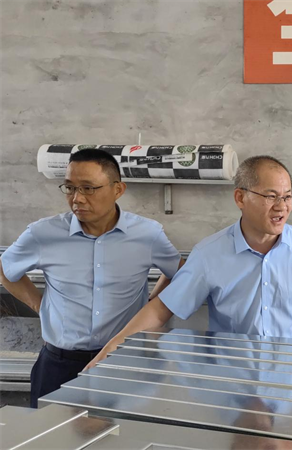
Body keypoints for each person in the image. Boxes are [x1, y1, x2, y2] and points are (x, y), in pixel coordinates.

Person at [86, 155, 292, 369]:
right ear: (240, 198)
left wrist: (285, 345)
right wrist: (109, 350)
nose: (282, 207)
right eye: (271, 196)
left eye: (287, 197)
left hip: (290, 373)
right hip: (233, 376)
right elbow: (161, 310)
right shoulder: (209, 254)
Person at [0, 149, 183, 407]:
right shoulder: (43, 233)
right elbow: (6, 270)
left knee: (123, 431)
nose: (77, 198)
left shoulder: (147, 235)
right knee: (50, 431)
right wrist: (40, 306)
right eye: (70, 188)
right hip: (59, 364)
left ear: (118, 189)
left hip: (124, 361)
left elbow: (180, 273)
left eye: (88, 188)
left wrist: (152, 305)